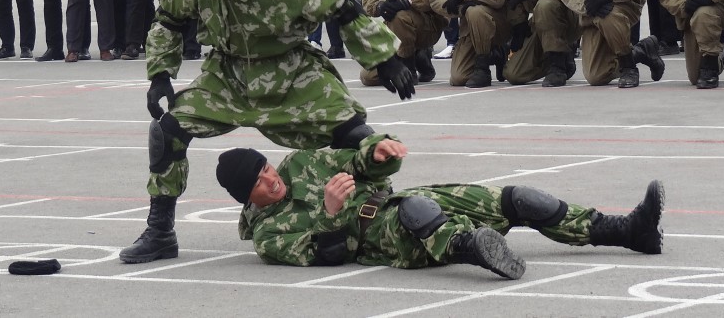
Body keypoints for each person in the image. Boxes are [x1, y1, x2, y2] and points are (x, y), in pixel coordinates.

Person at [118, 0, 415, 264]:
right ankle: (160, 233)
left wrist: (385, 58)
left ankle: (380, 212)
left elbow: (344, 5)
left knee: (354, 132)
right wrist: (161, 75)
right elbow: (168, 20)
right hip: (228, 73)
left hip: (290, 69)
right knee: (167, 133)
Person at [216, 134, 664, 277]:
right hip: (377, 235)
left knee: (518, 200)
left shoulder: (299, 164)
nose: (272, 180)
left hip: (393, 198)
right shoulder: (268, 236)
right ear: (246, 197)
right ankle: (473, 246)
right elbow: (328, 254)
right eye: (259, 183)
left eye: (267, 168)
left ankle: (626, 230)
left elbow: (352, 159)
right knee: (420, 218)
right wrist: (333, 214)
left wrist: (375, 152)